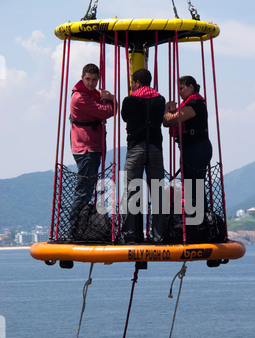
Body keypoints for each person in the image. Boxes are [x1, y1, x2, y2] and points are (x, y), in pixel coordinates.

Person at [69, 63, 115, 236]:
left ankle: (80, 227)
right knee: (84, 191)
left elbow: (107, 110)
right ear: (82, 77)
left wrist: (109, 101)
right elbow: (105, 112)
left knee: (87, 189)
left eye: (94, 80)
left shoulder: (92, 94)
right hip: (86, 148)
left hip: (91, 147)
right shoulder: (80, 97)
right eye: (88, 79)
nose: (91, 83)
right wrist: (111, 99)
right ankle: (73, 230)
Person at [121, 68, 166, 244]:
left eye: (132, 82)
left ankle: (131, 235)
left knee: (132, 192)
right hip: (155, 148)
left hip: (135, 148)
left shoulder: (130, 100)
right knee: (158, 193)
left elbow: (125, 117)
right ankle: (158, 235)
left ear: (137, 82)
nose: (131, 86)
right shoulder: (160, 99)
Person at [163, 75, 213, 216]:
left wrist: (167, 110)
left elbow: (172, 120)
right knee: (194, 185)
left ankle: (197, 218)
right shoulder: (192, 104)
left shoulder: (195, 104)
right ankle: (199, 218)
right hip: (194, 148)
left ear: (191, 87)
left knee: (193, 185)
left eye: (181, 88)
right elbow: (168, 122)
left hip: (196, 148)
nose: (179, 92)